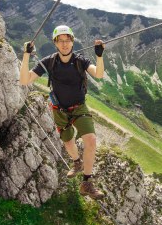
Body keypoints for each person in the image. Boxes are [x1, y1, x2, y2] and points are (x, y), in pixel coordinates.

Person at [19, 25, 105, 200]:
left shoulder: (80, 60)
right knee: (68, 143)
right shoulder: (49, 62)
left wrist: (99, 56)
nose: (65, 44)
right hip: (60, 110)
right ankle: (76, 162)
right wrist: (26, 55)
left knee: (91, 140)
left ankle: (87, 182)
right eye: (61, 41)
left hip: (79, 107)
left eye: (68, 40)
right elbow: (24, 80)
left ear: (72, 42)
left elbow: (99, 74)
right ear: (55, 43)